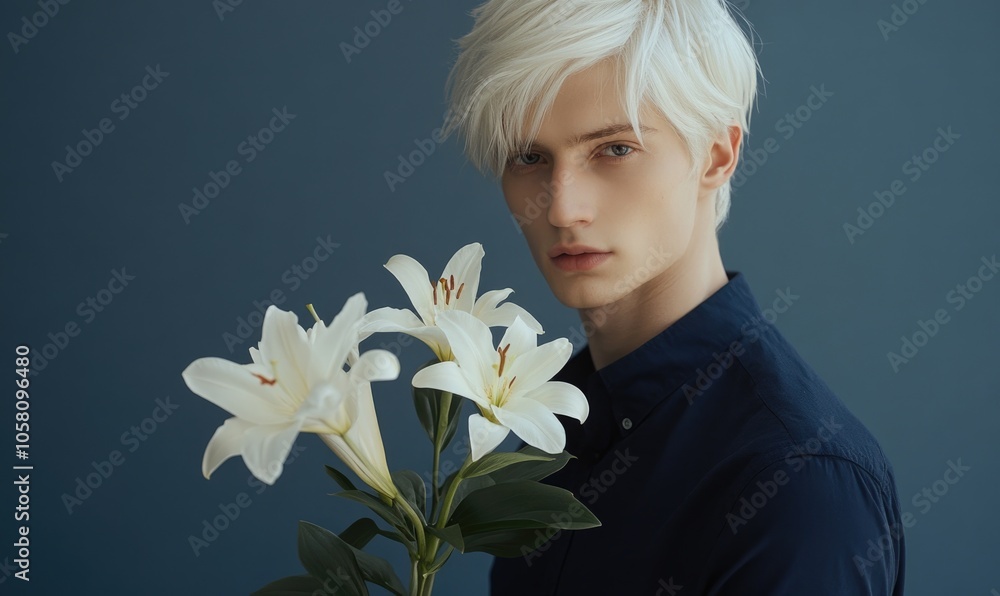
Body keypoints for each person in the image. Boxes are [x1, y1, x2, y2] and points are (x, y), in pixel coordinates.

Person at [438, 0, 906, 594]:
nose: (560, 207)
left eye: (614, 149)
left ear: (717, 154)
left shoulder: (796, 481)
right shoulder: (548, 428)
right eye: (529, 157)